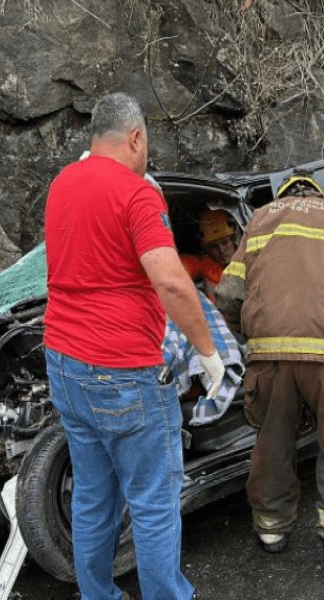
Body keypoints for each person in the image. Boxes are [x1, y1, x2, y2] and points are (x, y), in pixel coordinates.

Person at [43, 92, 225, 600]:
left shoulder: (61, 185)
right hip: (123, 372)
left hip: (64, 364)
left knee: (94, 496)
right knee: (152, 501)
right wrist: (208, 354)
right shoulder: (137, 193)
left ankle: (97, 595)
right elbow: (171, 282)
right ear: (136, 137)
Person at [215, 171, 324, 582]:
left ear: (284, 195)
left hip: (271, 359)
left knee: (272, 443)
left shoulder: (258, 221)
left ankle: (271, 530)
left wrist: (253, 333)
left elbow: (228, 295)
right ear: (319, 194)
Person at [180, 209, 239, 303]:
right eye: (214, 246)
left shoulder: (249, 261)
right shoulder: (205, 267)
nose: (221, 250)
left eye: (225, 242)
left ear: (233, 240)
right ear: (208, 250)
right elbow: (180, 266)